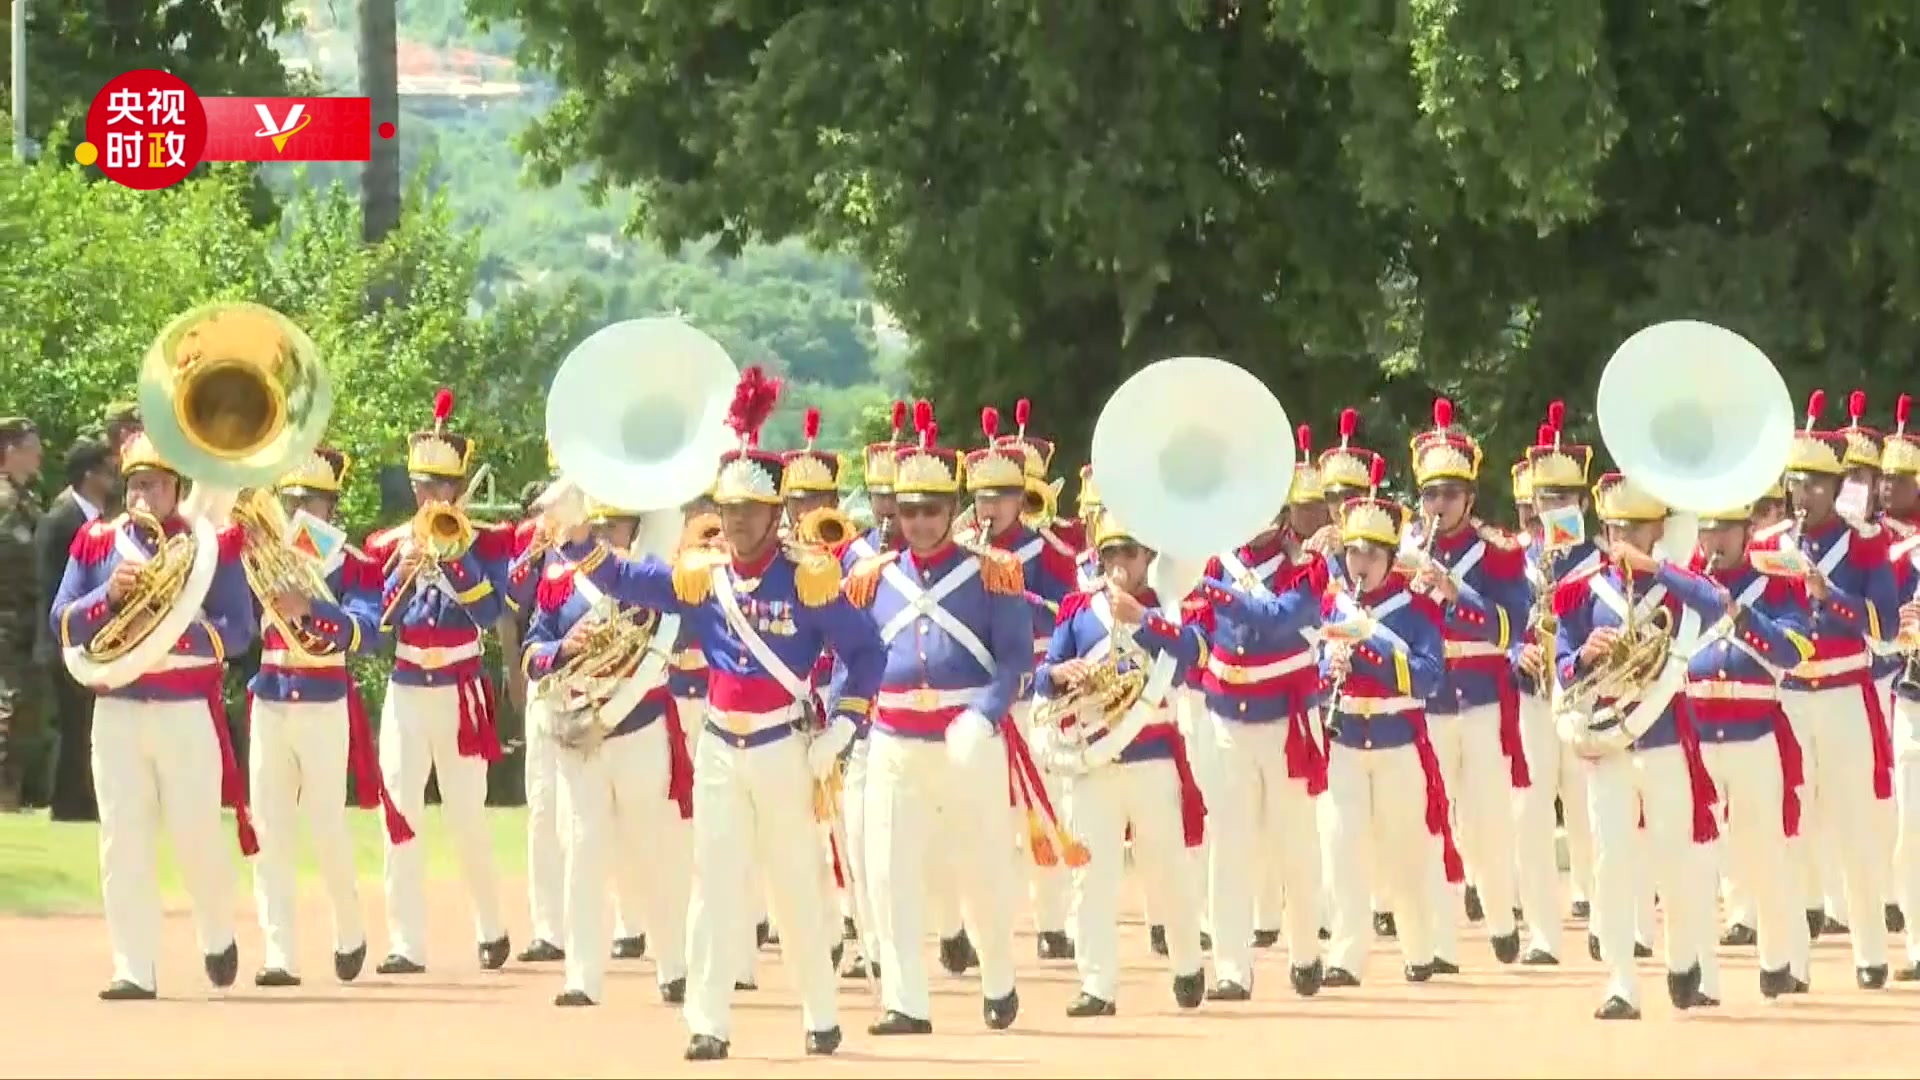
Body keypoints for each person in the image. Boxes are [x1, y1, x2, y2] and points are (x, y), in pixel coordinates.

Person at [587, 367, 883, 1061]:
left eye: (753, 508)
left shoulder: (807, 577)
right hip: (721, 746)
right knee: (714, 889)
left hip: (785, 748)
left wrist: (842, 727)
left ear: (778, 514)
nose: (741, 518)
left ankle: (819, 1014)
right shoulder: (704, 574)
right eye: (731, 507)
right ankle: (708, 1022)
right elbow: (633, 580)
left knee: (795, 887)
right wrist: (578, 542)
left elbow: (866, 651)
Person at [842, 400, 1035, 1035]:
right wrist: (838, 722)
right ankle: (905, 1001)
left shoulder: (993, 575)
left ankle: (998, 974)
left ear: (953, 510)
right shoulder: (871, 579)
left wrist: (983, 716)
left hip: (966, 741)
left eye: (931, 509)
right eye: (908, 509)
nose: (919, 521)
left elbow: (1013, 662)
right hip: (895, 738)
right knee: (890, 873)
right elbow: (853, 659)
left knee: (981, 865)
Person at [49, 432, 258, 999]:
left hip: (185, 710)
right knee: (123, 841)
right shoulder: (96, 543)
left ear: (177, 488)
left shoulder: (208, 545)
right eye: (137, 484)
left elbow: (239, 631)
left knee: (196, 837)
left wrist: (168, 625)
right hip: (116, 709)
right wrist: (110, 602)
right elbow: (62, 623)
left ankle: (216, 933)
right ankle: (133, 967)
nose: (145, 495)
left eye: (157, 485)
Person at [1552, 472, 1731, 1019]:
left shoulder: (1675, 583)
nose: (1622, 534)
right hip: (1608, 741)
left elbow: (1718, 602)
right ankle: (1620, 980)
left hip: (1662, 738)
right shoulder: (1584, 589)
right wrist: (1584, 654)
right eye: (1615, 525)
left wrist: (1656, 569)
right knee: (1613, 859)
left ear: (1658, 528)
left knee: (1675, 857)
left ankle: (1682, 959)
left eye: (1635, 525)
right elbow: (1562, 662)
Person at [1034, 509, 1209, 1016]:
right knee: (1092, 877)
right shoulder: (1078, 609)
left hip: (1151, 757)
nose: (1117, 564)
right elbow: (1046, 673)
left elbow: (1194, 652)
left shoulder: (1169, 607)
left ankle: (1186, 964)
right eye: (1109, 553)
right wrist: (1061, 674)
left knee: (1168, 870)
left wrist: (1143, 619)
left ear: (1147, 556)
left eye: (1127, 553)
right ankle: (1097, 985)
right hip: (1095, 758)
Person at [365, 388, 515, 975]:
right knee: (398, 811)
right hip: (406, 688)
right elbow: (374, 627)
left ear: (456, 491)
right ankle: (406, 942)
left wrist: (453, 559)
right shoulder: (387, 545)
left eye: (439, 487)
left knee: (465, 815)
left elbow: (487, 612)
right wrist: (398, 576)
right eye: (422, 485)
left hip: (460, 689)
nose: (429, 496)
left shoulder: (487, 544)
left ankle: (491, 925)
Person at [523, 496, 695, 1007]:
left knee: (653, 852)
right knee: (584, 853)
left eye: (614, 526)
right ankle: (581, 975)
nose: (605, 535)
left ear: (633, 527)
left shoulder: (651, 577)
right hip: (582, 731)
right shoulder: (557, 579)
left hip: (639, 726)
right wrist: (566, 648)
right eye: (597, 526)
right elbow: (534, 654)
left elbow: (681, 635)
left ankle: (673, 964)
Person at [246, 447, 409, 987]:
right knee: (270, 830)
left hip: (323, 699)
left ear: (330, 508)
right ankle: (279, 954)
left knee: (326, 827)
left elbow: (369, 633)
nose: (296, 511)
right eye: (290, 500)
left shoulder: (353, 564)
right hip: (271, 694)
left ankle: (350, 928)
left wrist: (312, 607)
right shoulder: (264, 550)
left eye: (308, 502)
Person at [1315, 454, 1461, 985]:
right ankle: (1345, 957)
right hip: (1346, 739)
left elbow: (1428, 677)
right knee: (1342, 849)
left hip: (1400, 743)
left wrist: (1369, 655)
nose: (1358, 565)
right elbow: (1314, 666)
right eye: (1352, 553)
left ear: (1387, 557)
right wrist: (1326, 664)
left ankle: (1419, 949)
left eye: (1369, 555)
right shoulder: (1335, 606)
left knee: (1406, 852)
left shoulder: (1415, 610)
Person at [1772, 389, 1900, 988]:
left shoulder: (1866, 544)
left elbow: (1887, 624)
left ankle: (1870, 953)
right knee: (1792, 826)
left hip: (1847, 690)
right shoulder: (1772, 547)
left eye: (1817, 484)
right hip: (1792, 694)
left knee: (1855, 827)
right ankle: (1793, 960)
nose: (1805, 495)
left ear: (1835, 486)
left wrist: (1833, 597)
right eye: (1797, 483)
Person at [1404, 397, 1532, 962]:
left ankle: (1502, 918)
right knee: (1433, 823)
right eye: (1430, 493)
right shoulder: (1403, 554)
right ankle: (1440, 939)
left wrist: (1457, 595)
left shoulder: (1498, 553)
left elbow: (1511, 626)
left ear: (1470, 497)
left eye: (1450, 493)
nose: (1439, 504)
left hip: (1482, 702)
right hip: (1428, 703)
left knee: (1487, 820)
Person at [1196, 499, 1328, 1000]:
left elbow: (1277, 620)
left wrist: (1211, 590)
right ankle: (1231, 968)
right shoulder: (1215, 562)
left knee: (1294, 842)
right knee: (1228, 846)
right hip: (1228, 718)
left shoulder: (1306, 567)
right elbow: (1202, 635)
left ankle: (1305, 951)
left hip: (1285, 721)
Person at [1687, 496, 1813, 998]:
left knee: (1766, 853)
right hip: (1697, 737)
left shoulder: (1775, 585)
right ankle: (1698, 972)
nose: (1713, 542)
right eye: (1706, 530)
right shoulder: (1682, 588)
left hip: (1755, 735)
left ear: (1744, 533)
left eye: (1724, 531)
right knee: (1694, 860)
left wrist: (1741, 616)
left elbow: (1795, 651)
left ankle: (1778, 961)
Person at [971, 404, 1079, 959]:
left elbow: (1069, 614)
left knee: (1045, 803)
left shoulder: (1048, 551)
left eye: (1001, 497)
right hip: (979, 693)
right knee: (982, 812)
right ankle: (983, 925)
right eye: (983, 497)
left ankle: (1052, 922)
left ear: (1020, 498)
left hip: (1035, 688)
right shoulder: (960, 551)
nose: (990, 507)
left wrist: (1024, 599)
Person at [1510, 410, 1601, 964]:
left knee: (1592, 810)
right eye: (1545, 498)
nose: (1553, 508)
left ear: (1585, 504)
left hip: (1585, 696)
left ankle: (1602, 916)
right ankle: (1542, 933)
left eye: (1565, 497)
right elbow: (1498, 622)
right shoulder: (1514, 561)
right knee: (1530, 813)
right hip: (1530, 697)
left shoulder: (1602, 562)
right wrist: (1512, 650)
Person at [835, 402, 907, 980]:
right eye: (878, 494)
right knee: (859, 844)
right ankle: (873, 946)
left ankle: (953, 933)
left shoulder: (932, 562)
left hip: (915, 721)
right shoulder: (849, 558)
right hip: (863, 719)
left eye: (894, 496)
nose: (885, 507)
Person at [504, 455, 568, 966]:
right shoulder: (537, 543)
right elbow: (513, 601)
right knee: (544, 806)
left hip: (609, 686)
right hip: (550, 679)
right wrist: (535, 551)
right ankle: (549, 927)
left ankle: (631, 922)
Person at [35, 437, 116, 822]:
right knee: (72, 725)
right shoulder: (62, 518)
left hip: (84, 642)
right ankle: (68, 804)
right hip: (61, 640)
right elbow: (52, 586)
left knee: (83, 724)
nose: (114, 477)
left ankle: (80, 800)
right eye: (108, 469)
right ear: (89, 475)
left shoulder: (93, 518)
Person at [0, 417, 45, 809]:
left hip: (23, 622)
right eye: (31, 447)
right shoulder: (4, 501)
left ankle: (11, 795)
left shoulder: (24, 500)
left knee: (21, 710)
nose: (39, 454)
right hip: (7, 622)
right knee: (7, 708)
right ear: (10, 451)